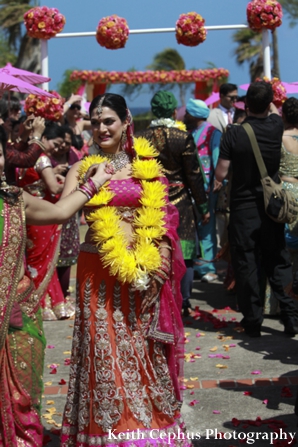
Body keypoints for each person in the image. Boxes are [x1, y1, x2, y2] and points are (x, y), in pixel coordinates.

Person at [60, 93, 189, 447]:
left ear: (126, 120)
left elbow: (164, 218)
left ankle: (150, 429)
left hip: (144, 275)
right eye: (95, 122)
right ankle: (110, 434)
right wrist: (92, 183)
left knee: (142, 352)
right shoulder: (83, 168)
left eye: (108, 121)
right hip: (98, 273)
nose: (101, 128)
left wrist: (162, 253)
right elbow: (62, 212)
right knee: (105, 354)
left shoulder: (147, 166)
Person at [0, 123, 112, 446]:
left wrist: (93, 184)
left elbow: (61, 211)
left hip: (19, 322)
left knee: (22, 404)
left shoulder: (14, 200)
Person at [215, 81, 298, 337]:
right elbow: (274, 111)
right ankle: (291, 318)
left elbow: (221, 172)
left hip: (243, 209)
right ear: (270, 103)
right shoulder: (276, 126)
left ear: (245, 104)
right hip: (271, 207)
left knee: (246, 264)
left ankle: (252, 322)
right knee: (278, 261)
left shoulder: (234, 133)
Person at [135, 90, 209, 315]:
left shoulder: (141, 137)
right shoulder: (182, 137)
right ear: (174, 111)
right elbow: (194, 175)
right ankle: (183, 299)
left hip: (151, 200)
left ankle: (156, 297)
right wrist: (203, 206)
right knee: (184, 252)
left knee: (155, 250)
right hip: (181, 202)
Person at [17, 122, 71, 320]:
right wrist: (71, 181)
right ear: (43, 138)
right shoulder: (41, 159)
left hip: (27, 214)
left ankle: (42, 304)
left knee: (34, 260)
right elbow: (54, 189)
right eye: (55, 144)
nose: (57, 149)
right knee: (44, 261)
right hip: (43, 213)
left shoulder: (19, 156)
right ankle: (47, 305)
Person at [184, 98, 221, 283]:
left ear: (193, 115)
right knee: (192, 228)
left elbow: (216, 160)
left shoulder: (213, 134)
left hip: (207, 189)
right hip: (190, 188)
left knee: (206, 228)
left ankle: (208, 267)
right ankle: (195, 265)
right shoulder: (189, 132)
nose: (184, 116)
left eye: (187, 113)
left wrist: (216, 183)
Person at [50, 125, 80, 303]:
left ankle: (65, 294)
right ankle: (54, 297)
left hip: (70, 212)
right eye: (60, 143)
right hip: (51, 209)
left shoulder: (74, 157)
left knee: (68, 252)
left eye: (67, 143)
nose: (63, 146)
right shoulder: (45, 157)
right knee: (51, 253)